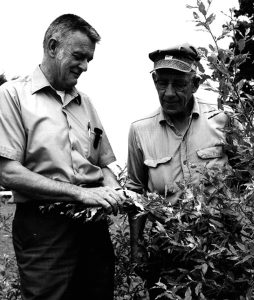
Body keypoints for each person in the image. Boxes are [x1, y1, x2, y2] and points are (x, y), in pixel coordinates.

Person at [0, 14, 126, 300]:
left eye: (89, 60)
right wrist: (80, 194)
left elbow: (104, 164)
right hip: (44, 228)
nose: (84, 67)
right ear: (53, 47)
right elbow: (7, 173)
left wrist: (115, 189)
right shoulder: (12, 96)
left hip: (92, 227)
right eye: (79, 56)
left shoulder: (86, 103)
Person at [126, 43, 230, 298]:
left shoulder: (223, 120)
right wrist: (137, 248)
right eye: (162, 83)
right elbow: (135, 192)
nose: (169, 93)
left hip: (221, 251)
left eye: (179, 84)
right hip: (167, 254)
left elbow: (248, 179)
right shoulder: (140, 130)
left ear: (195, 84)